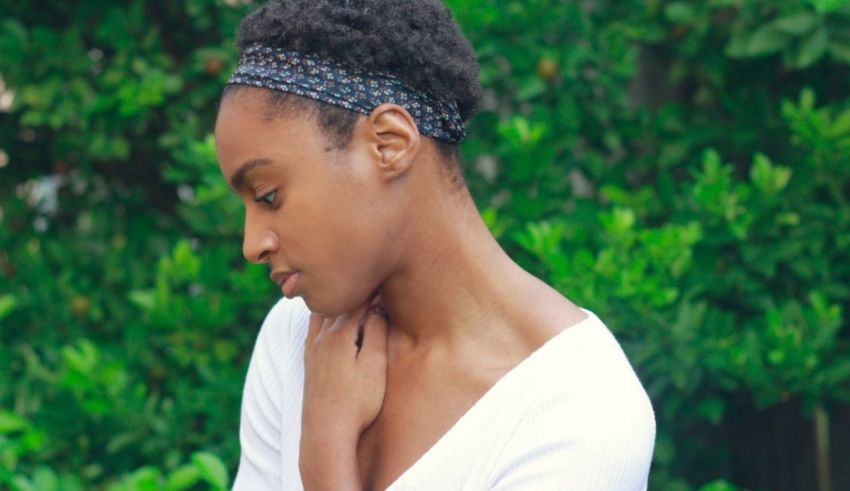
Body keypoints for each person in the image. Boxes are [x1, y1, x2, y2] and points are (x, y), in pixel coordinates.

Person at [214, 1, 656, 489]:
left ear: (389, 143)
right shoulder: (297, 336)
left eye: (269, 196)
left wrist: (325, 447)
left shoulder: (579, 412)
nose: (252, 245)